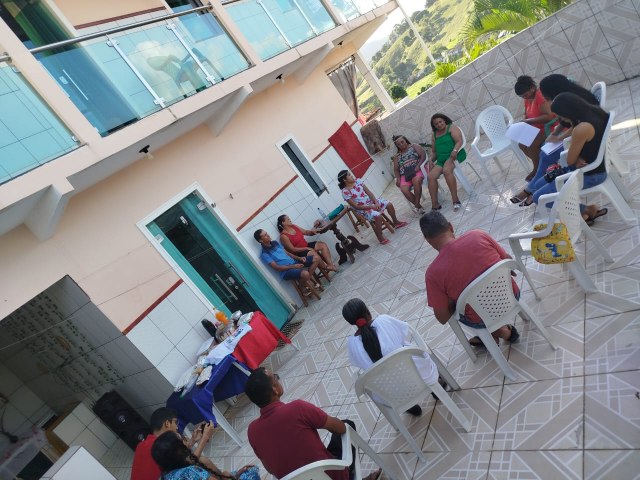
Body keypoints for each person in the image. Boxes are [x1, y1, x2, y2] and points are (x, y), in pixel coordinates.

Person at [244, 367, 381, 480]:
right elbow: (340, 429)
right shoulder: (297, 408)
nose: (278, 379)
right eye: (275, 377)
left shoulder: (252, 431)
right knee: (347, 424)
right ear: (275, 389)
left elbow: (270, 469)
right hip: (331, 476)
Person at [420, 211, 520, 348]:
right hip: (512, 295)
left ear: (427, 240)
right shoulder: (478, 235)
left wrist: (453, 300)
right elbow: (507, 260)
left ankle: (501, 332)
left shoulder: (433, 274)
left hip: (481, 319)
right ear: (451, 226)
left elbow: (442, 317)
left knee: (462, 309)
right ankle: (495, 333)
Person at [510, 74, 599, 206]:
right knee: (543, 160)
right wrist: (556, 134)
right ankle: (533, 187)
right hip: (579, 153)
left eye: (547, 97)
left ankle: (531, 190)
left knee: (539, 197)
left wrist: (559, 138)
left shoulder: (579, 111)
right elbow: (567, 122)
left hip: (589, 169)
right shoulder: (572, 101)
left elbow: (571, 157)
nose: (547, 100)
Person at [342, 297, 442, 415]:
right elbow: (403, 333)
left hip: (391, 394)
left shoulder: (352, 345)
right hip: (420, 377)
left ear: (351, 323)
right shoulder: (384, 321)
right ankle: (435, 389)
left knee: (387, 379)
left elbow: (359, 364)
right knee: (415, 355)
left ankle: (409, 406)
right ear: (368, 312)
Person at [523, 92, 609, 224]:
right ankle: (585, 211)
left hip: (590, 174)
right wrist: (576, 154)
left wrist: (575, 155)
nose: (561, 120)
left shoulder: (581, 128)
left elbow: (569, 160)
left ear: (568, 113)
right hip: (592, 165)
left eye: (561, 116)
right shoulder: (593, 112)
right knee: (539, 184)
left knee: (539, 197)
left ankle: (587, 210)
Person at [131, 407, 214, 480]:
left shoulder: (143, 445)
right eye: (175, 422)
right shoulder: (157, 446)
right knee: (200, 465)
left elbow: (176, 457)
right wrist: (205, 437)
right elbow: (188, 462)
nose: (177, 427)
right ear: (167, 423)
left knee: (202, 461)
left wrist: (192, 440)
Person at [151, 430, 259, 480]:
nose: (186, 439)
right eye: (183, 438)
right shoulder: (190, 472)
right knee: (251, 471)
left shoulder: (166, 475)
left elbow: (193, 459)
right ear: (178, 451)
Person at [338, 170, 408, 245]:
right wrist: (371, 206)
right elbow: (356, 206)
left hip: (371, 202)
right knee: (378, 216)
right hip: (363, 209)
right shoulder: (345, 192)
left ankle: (396, 222)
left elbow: (369, 193)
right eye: (349, 175)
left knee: (389, 204)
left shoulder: (358, 181)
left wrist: (376, 202)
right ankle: (380, 237)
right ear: (344, 179)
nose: (351, 175)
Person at [513, 76, 555, 181]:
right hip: (536, 128)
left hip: (548, 126)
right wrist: (523, 123)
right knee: (521, 144)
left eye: (525, 95)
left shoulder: (540, 96)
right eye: (522, 97)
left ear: (532, 88)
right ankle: (541, 165)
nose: (524, 98)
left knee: (532, 145)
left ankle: (537, 169)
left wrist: (529, 121)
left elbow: (549, 116)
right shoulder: (528, 99)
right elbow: (527, 115)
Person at [254, 229, 323, 291]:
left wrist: (299, 258)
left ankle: (306, 281)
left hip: (294, 262)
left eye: (267, 233)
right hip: (286, 272)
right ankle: (303, 285)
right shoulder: (264, 254)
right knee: (305, 273)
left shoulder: (275, 242)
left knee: (316, 258)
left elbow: (287, 253)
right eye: (265, 235)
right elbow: (277, 268)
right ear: (260, 240)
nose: (268, 235)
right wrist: (293, 266)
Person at [426, 114, 467, 212]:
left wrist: (454, 151)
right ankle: (435, 204)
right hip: (442, 159)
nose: (439, 124)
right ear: (434, 126)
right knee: (431, 176)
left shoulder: (452, 128)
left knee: (447, 170)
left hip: (455, 155)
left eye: (440, 122)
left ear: (444, 120)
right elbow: (434, 152)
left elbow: (459, 141)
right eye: (436, 124)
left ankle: (455, 200)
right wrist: (431, 160)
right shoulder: (434, 135)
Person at [391, 135, 426, 214]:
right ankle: (419, 206)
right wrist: (398, 179)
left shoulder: (414, 146)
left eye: (402, 142)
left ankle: (416, 206)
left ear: (406, 141)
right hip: (405, 175)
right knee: (404, 189)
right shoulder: (397, 156)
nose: (401, 145)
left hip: (416, 170)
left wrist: (418, 166)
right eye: (398, 144)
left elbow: (423, 155)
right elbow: (396, 169)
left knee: (416, 180)